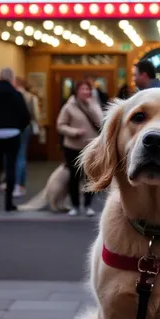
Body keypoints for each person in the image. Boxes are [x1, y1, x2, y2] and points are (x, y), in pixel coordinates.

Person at [0, 68, 30, 212]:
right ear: (11, 79)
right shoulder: (16, 95)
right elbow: (25, 117)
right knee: (11, 167)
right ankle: (8, 202)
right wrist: (18, 129)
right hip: (13, 134)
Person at [57, 80, 103, 217]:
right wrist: (74, 132)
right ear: (77, 92)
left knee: (90, 177)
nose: (86, 92)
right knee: (74, 176)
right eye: (83, 89)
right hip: (73, 147)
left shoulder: (93, 104)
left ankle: (88, 205)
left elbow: (101, 122)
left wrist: (94, 106)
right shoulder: (68, 107)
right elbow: (60, 125)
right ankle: (75, 206)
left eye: (88, 89)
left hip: (91, 147)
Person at [13, 77, 40, 198]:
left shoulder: (13, 96)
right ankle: (21, 184)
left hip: (14, 128)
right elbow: (35, 114)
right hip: (26, 128)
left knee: (14, 156)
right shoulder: (31, 97)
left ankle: (16, 183)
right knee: (21, 155)